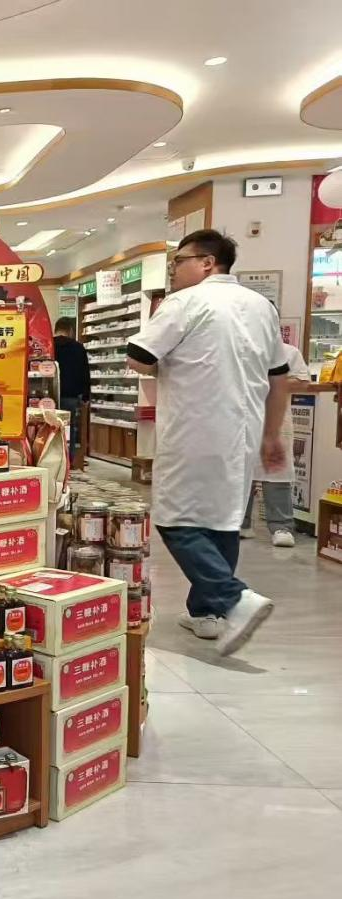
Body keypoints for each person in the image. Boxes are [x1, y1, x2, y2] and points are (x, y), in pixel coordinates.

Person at [125, 229, 290, 656]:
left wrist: (166, 360)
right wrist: (272, 433)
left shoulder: (186, 302)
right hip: (243, 432)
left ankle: (233, 598)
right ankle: (207, 614)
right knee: (222, 518)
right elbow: (279, 377)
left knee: (175, 519)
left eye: (179, 261)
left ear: (207, 263)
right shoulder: (261, 307)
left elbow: (138, 358)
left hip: (194, 428)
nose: (174, 269)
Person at [242, 341, 312, 546]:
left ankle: (282, 526)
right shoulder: (239, 348)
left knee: (276, 472)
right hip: (242, 420)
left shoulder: (288, 352)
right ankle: (240, 524)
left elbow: (302, 382)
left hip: (276, 420)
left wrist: (271, 382)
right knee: (241, 472)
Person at [53, 317, 92, 461]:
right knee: (69, 428)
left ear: (56, 329)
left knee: (49, 427)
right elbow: (85, 373)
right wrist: (86, 396)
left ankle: (52, 456)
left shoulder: (48, 345)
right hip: (70, 396)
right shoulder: (78, 348)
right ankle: (69, 459)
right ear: (70, 330)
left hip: (49, 396)